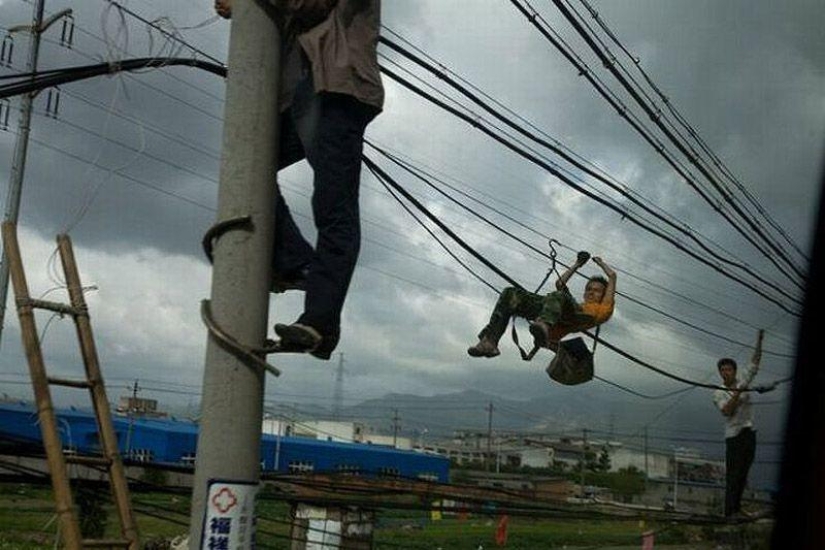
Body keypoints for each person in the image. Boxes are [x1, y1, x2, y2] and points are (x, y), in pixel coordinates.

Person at [214, 0, 384, 360]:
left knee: (333, 206)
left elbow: (314, 4)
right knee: (244, 171)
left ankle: (320, 323)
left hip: (339, 87)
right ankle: (295, 263)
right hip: (296, 95)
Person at [467, 252, 617, 358]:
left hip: (579, 317)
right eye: (589, 289)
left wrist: (600, 262)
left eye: (597, 291)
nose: (591, 292)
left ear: (604, 295)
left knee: (559, 296)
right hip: (557, 314)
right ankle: (490, 342)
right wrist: (577, 264)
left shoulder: (604, 308)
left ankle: (543, 324)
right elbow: (560, 283)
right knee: (510, 294)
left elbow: (612, 276)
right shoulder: (568, 303)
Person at [713, 329, 764, 518]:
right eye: (722, 370)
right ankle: (729, 512)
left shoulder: (743, 380)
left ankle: (737, 507)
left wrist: (759, 341)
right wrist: (738, 392)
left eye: (728, 369)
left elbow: (755, 362)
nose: (725, 373)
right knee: (733, 474)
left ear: (734, 371)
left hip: (749, 431)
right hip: (733, 437)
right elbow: (727, 411)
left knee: (744, 473)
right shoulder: (718, 392)